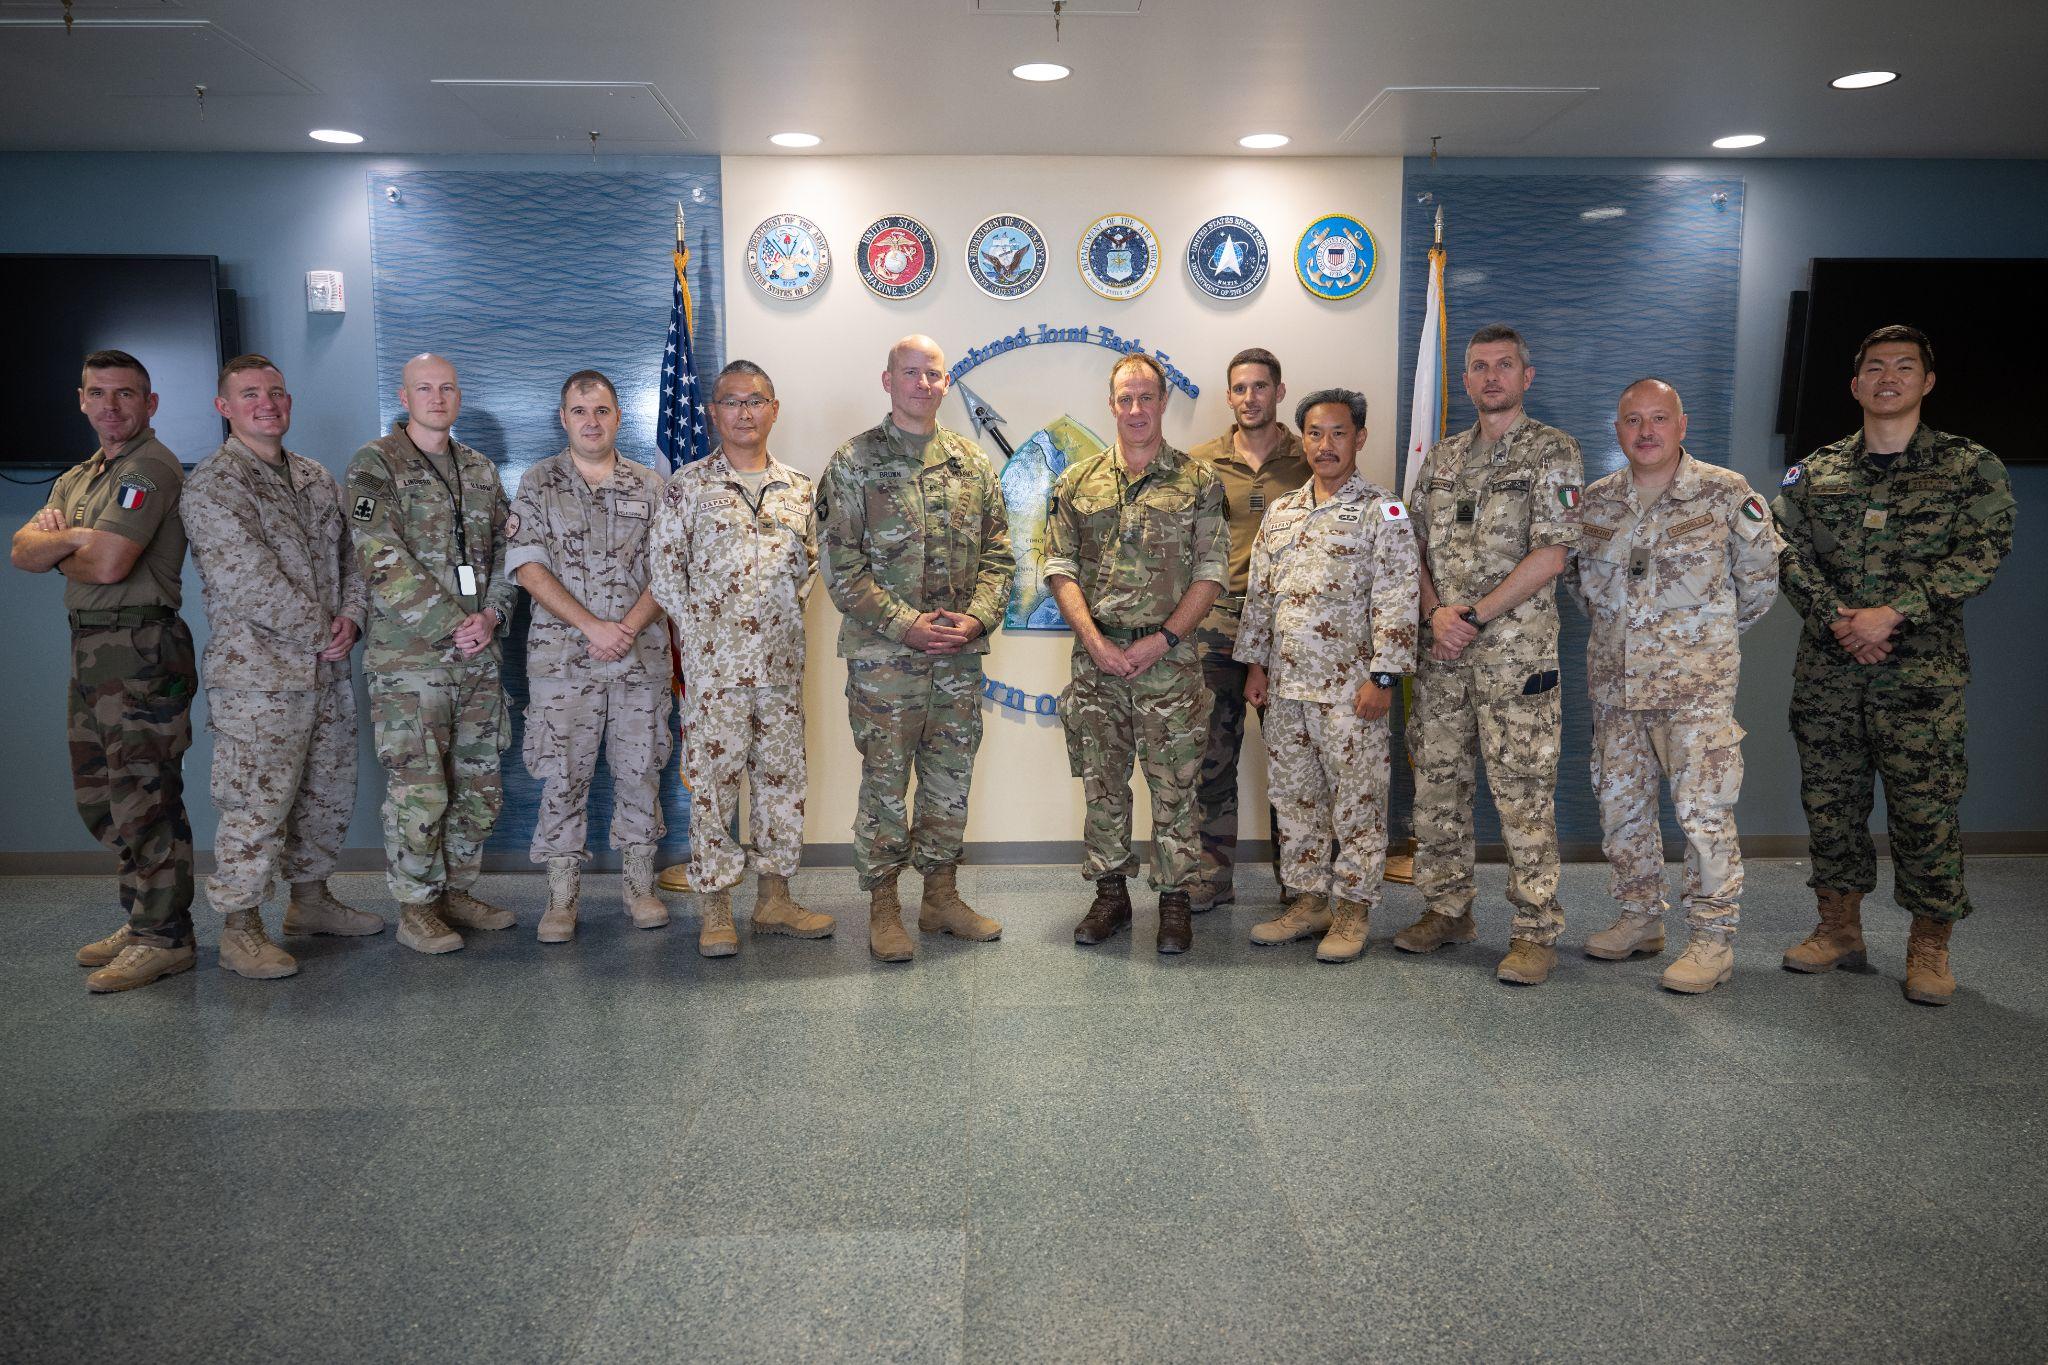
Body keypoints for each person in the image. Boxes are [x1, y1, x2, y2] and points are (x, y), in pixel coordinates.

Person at [1771, 324, 2016, 1006]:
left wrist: (1894, 612)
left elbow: (1982, 552)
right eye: (1875, 367)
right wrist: (1841, 621)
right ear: (1855, 385)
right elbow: (1785, 553)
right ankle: (1838, 927)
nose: (1888, 377)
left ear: (1926, 382)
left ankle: (1929, 944)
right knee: (1831, 807)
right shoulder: (1815, 472)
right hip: (1829, 675)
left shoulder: (1971, 467)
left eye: (1904, 367)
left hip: (1921, 680)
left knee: (1925, 811)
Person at [1564, 379, 1780, 994]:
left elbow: (1760, 582)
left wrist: (1697, 640)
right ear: (1618, 430)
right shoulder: (1597, 503)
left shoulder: (1725, 494)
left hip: (1695, 691)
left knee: (1704, 816)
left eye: (1659, 418)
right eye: (1633, 420)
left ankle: (1712, 941)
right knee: (1621, 809)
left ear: (1682, 426)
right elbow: (1583, 588)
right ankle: (1640, 918)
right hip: (1615, 691)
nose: (1647, 431)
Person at [1393, 324, 1583, 985]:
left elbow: (1554, 553)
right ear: (1467, 380)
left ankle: (1534, 930)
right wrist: (1433, 611)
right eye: (1480, 367)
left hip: (1516, 659)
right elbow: (1407, 549)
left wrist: (1472, 614)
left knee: (1523, 796)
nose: (1492, 376)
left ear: (1526, 377)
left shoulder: (1553, 451)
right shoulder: (1441, 459)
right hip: (1442, 654)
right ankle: (1448, 909)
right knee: (1438, 788)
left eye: (1505, 365)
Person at [181, 354, 380, 980]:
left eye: (276, 392)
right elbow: (246, 581)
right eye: (249, 394)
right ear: (225, 407)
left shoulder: (316, 477)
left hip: (325, 671)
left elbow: (354, 555)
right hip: (259, 679)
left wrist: (351, 616)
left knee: (325, 793)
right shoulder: (214, 484)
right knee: (255, 803)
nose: (267, 403)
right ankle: (241, 928)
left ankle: (310, 903)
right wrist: (324, 630)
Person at [818, 335, 1014, 963]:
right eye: (911, 373)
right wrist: (905, 625)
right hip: (885, 661)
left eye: (933, 375)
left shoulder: (972, 463)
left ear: (946, 382)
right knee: (884, 784)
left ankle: (940, 895)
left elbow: (1000, 556)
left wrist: (979, 618)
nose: (923, 384)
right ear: (888, 381)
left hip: (957, 659)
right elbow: (839, 566)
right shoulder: (853, 463)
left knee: (949, 781)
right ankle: (883, 906)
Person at [11, 350, 197, 992]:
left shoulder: (150, 466)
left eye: (125, 394)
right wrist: (70, 545)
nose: (110, 406)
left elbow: (112, 564)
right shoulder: (80, 475)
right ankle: (144, 915)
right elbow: (20, 552)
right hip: (89, 646)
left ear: (150, 403)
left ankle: (165, 937)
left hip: (140, 645)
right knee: (103, 797)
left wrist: (61, 543)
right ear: (81, 399)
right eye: (98, 393)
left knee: (145, 793)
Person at [1046, 352, 1228, 954]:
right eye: (1125, 398)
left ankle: (1175, 900)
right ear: (1111, 402)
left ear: (1162, 402)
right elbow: (1060, 568)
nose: (1135, 409)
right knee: (1103, 786)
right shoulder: (1077, 482)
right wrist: (1094, 642)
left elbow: (1210, 572)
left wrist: (1165, 638)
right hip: (1098, 662)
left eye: (1146, 397)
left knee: (1175, 788)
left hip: (1169, 664)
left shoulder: (1198, 482)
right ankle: (1111, 896)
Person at [651, 359, 833, 956]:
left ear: (774, 409)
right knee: (713, 789)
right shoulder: (687, 487)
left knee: (783, 785)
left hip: (780, 670)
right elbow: (665, 573)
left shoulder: (801, 490)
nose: (745, 411)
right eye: (731, 401)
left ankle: (776, 901)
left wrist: (771, 625)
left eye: (756, 400)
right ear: (713, 412)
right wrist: (708, 634)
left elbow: (810, 570)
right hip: (714, 675)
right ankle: (716, 909)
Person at [1237, 389, 1419, 961]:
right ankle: (1309, 900)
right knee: (1295, 800)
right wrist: (1256, 666)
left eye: (1338, 433)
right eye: (1315, 433)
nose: (1325, 445)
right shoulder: (1282, 511)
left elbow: (1398, 595)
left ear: (1360, 438)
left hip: (1350, 691)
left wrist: (1385, 677)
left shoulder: (1382, 511)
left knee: (1357, 802)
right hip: (1286, 689)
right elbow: (1260, 595)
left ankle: (1353, 909)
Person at [346, 353, 517, 954]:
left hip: (478, 656)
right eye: (425, 388)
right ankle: (417, 905)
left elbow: (506, 556)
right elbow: (379, 556)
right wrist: (454, 625)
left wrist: (492, 616)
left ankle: (457, 891)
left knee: (477, 785)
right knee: (421, 790)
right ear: (405, 395)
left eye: (447, 388)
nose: (437, 397)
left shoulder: (479, 468)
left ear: (459, 396)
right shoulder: (375, 465)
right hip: (409, 662)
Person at [506, 370, 673, 944]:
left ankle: (640, 888)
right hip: (563, 662)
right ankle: (561, 899)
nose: (591, 421)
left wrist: (623, 628)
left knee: (639, 774)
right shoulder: (537, 483)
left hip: (638, 658)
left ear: (618, 417)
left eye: (601, 410)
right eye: (580, 411)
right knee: (562, 776)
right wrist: (593, 627)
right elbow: (527, 566)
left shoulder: (651, 487)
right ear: (563, 417)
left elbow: (668, 573)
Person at [1185, 347, 1311, 911]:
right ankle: (1213, 875)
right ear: (1228, 394)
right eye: (1239, 388)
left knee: (1293, 759)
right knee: (1212, 754)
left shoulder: (1310, 455)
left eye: (1261, 387)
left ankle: (1301, 881)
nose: (1250, 397)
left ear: (1279, 392)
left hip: (1292, 629)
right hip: (1216, 628)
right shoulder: (1200, 463)